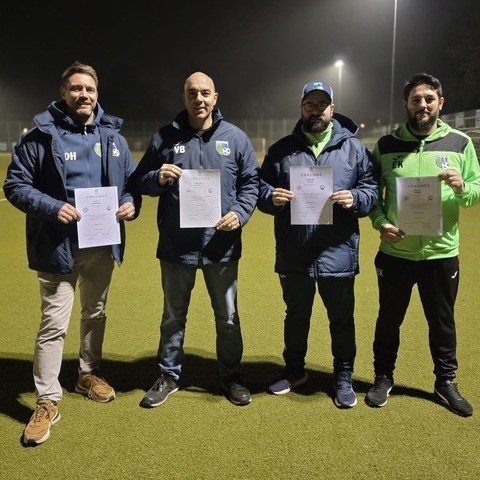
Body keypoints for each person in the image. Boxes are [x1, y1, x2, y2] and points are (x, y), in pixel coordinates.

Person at [3, 61, 141, 445]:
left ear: (98, 94)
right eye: (76, 89)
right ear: (63, 92)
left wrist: (130, 203)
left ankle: (87, 374)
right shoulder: (40, 136)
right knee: (54, 324)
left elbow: (130, 183)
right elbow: (15, 185)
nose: (84, 95)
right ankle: (47, 400)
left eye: (90, 89)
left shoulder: (113, 137)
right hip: (58, 246)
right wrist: (52, 207)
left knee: (95, 312)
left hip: (102, 243)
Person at [133, 72, 259, 408]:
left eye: (205, 93)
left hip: (221, 246)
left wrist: (240, 213)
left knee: (228, 318)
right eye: (192, 93)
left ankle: (231, 375)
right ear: (184, 97)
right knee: (173, 317)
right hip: (177, 247)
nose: (199, 99)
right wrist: (157, 177)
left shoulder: (236, 138)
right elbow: (139, 180)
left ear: (215, 97)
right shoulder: (164, 137)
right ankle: (168, 375)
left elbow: (251, 184)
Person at [257, 81, 378, 408]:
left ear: (332, 109)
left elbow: (372, 191)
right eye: (309, 104)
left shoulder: (353, 149)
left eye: (322, 105)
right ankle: (295, 370)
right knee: (296, 316)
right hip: (295, 252)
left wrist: (356, 198)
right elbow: (260, 189)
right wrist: (271, 198)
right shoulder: (281, 150)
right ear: (301, 108)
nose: (315, 110)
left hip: (337, 252)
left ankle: (343, 376)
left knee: (341, 320)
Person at [366, 73, 480, 417]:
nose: (423, 105)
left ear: (440, 103)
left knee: (442, 323)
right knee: (388, 319)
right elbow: (372, 196)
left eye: (429, 98)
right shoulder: (386, 146)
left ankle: (445, 382)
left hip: (441, 254)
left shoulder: (460, 143)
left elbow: (475, 192)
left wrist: (462, 187)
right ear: (406, 104)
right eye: (416, 99)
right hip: (395, 253)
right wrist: (381, 223)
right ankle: (383, 377)